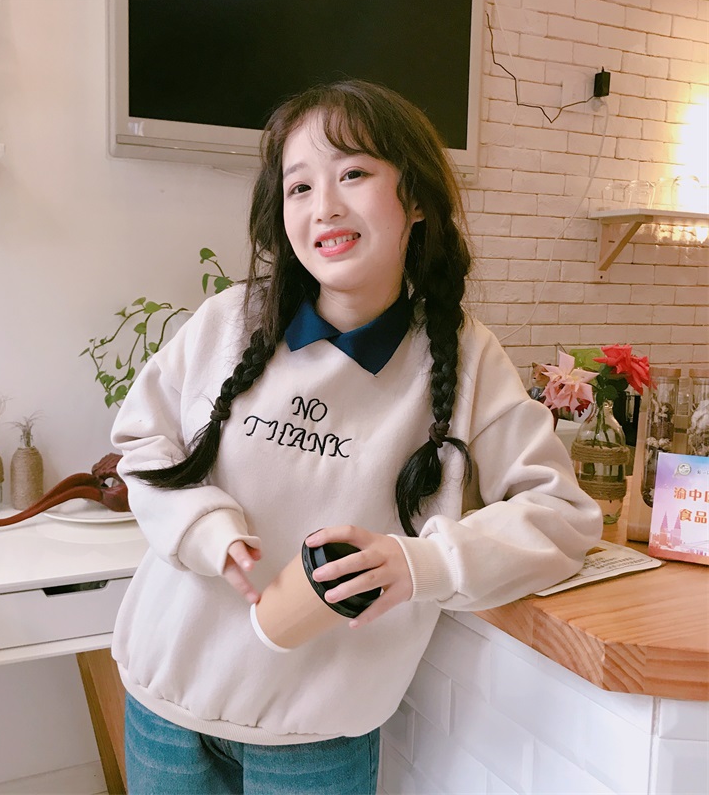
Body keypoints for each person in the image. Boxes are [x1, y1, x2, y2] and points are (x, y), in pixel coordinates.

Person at [110, 79, 602, 794]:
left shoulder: (466, 358)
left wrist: (422, 564)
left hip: (317, 735)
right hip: (166, 704)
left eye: (353, 174)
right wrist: (203, 528)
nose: (325, 207)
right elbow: (141, 445)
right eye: (299, 186)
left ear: (417, 199)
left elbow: (562, 516)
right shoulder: (228, 321)